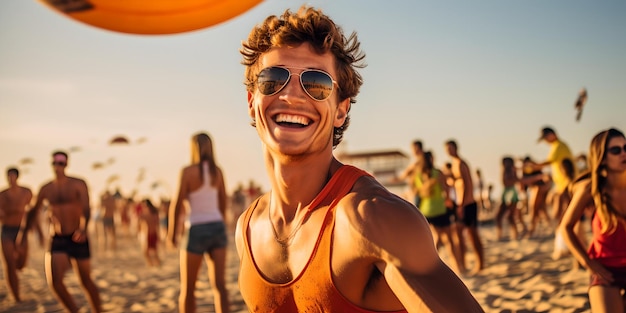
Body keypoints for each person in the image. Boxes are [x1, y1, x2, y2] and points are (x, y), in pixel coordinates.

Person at [235, 6, 483, 312]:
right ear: (251, 101)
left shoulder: (373, 219)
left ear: (341, 110)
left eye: (316, 84)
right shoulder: (247, 228)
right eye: (273, 79)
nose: (293, 96)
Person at [560, 128, 626, 312]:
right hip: (606, 271)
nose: (623, 153)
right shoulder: (591, 190)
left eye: (625, 147)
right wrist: (588, 263)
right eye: (616, 150)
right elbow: (566, 228)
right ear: (602, 157)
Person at [26, 151, 101, 313]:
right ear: (51, 163)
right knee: (55, 282)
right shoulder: (46, 188)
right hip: (58, 237)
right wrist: (22, 236)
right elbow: (33, 211)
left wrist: (83, 227)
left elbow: (87, 209)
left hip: (77, 236)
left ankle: (98, 310)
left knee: (86, 281)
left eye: (61, 161)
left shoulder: (78, 184)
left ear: (67, 164)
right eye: (55, 161)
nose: (58, 165)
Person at [168, 132, 230, 313]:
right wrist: (221, 224)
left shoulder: (187, 172)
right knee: (220, 286)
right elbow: (223, 201)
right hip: (217, 226)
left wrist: (172, 233)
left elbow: (177, 203)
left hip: (196, 228)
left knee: (188, 289)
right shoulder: (217, 171)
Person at [415, 151, 464, 274]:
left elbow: (420, 192)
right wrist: (447, 199)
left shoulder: (418, 176)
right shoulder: (437, 173)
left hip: (426, 210)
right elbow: (445, 189)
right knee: (448, 240)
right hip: (439, 209)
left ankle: (431, 266)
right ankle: (457, 267)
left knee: (437, 238)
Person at [445, 139, 485, 275]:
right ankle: (463, 264)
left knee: (472, 235)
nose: (448, 151)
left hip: (467, 204)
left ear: (456, 148)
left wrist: (461, 204)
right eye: (446, 149)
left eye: (450, 148)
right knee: (459, 234)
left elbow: (468, 184)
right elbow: (458, 182)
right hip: (460, 204)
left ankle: (480, 263)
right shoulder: (454, 165)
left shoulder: (461, 163)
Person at [0, 167, 33, 302]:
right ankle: (16, 296)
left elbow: (32, 213)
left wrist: (38, 230)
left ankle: (18, 269)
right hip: (7, 230)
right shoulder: (2, 195)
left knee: (20, 264)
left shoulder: (26, 192)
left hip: (22, 230)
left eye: (13, 176)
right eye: (8, 176)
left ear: (17, 177)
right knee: (10, 265)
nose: (10, 179)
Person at [534, 126, 575, 221]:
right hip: (561, 184)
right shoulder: (556, 146)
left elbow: (548, 162)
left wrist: (533, 166)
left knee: (564, 212)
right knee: (564, 212)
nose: (545, 141)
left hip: (566, 183)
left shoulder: (559, 146)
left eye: (545, 138)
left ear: (553, 134)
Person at [495, 157, 527, 241]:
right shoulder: (506, 170)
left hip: (510, 194)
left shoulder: (511, 170)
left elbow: (517, 180)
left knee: (510, 217)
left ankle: (515, 234)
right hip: (506, 193)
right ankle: (501, 235)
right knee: (500, 216)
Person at [398, 139, 425, 207]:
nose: (412, 151)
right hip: (418, 192)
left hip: (419, 192)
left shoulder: (418, 162)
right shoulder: (421, 161)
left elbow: (404, 175)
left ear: (417, 148)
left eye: (412, 148)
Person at [140, 198, 161, 267]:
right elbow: (157, 224)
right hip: (154, 234)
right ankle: (156, 264)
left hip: (148, 235)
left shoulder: (145, 214)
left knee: (146, 252)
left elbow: (142, 225)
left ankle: (151, 264)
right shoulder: (154, 214)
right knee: (154, 252)